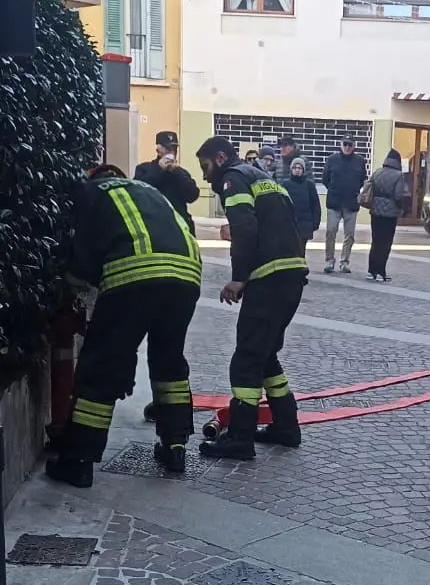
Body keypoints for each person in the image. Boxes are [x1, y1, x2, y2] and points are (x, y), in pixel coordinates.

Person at [45, 165, 201, 489]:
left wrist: (68, 286)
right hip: (186, 276)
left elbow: (83, 254)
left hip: (135, 276)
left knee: (102, 366)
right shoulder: (148, 191)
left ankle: (79, 461)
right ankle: (175, 447)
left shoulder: (90, 193)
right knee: (168, 360)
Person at [195, 136, 307, 458]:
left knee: (246, 359)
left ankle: (240, 438)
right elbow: (281, 223)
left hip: (268, 279)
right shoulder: (266, 179)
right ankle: (286, 427)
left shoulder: (233, 178)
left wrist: (238, 279)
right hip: (291, 275)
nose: (205, 177)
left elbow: (245, 228)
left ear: (219, 159)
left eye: (205, 167)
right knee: (266, 355)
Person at [134, 132, 200, 235]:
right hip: (153, 227)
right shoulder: (144, 169)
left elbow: (192, 195)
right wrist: (158, 170)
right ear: (158, 150)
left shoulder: (181, 173)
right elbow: (138, 193)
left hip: (179, 227)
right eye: (169, 149)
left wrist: (177, 172)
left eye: (174, 149)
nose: (172, 152)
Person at [322, 133, 366, 274]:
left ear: (354, 146)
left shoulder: (360, 161)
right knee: (330, 232)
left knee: (350, 235)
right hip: (334, 202)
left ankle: (344, 261)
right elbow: (325, 179)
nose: (347, 147)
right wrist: (334, 190)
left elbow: (362, 180)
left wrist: (353, 192)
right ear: (341, 145)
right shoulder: (332, 160)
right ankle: (329, 260)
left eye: (350, 144)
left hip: (351, 203)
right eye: (345, 144)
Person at [366, 148, 406, 282]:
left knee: (375, 241)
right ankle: (381, 272)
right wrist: (401, 209)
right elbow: (399, 195)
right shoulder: (399, 175)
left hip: (375, 211)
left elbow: (369, 188)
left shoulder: (377, 172)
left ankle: (371, 271)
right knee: (385, 243)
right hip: (390, 214)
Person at [280, 155, 321, 257]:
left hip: (305, 223)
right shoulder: (285, 185)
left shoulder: (309, 185)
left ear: (303, 170)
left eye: (299, 168)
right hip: (290, 223)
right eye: (295, 168)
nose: (297, 170)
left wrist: (315, 222)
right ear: (291, 169)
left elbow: (315, 205)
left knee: (301, 249)